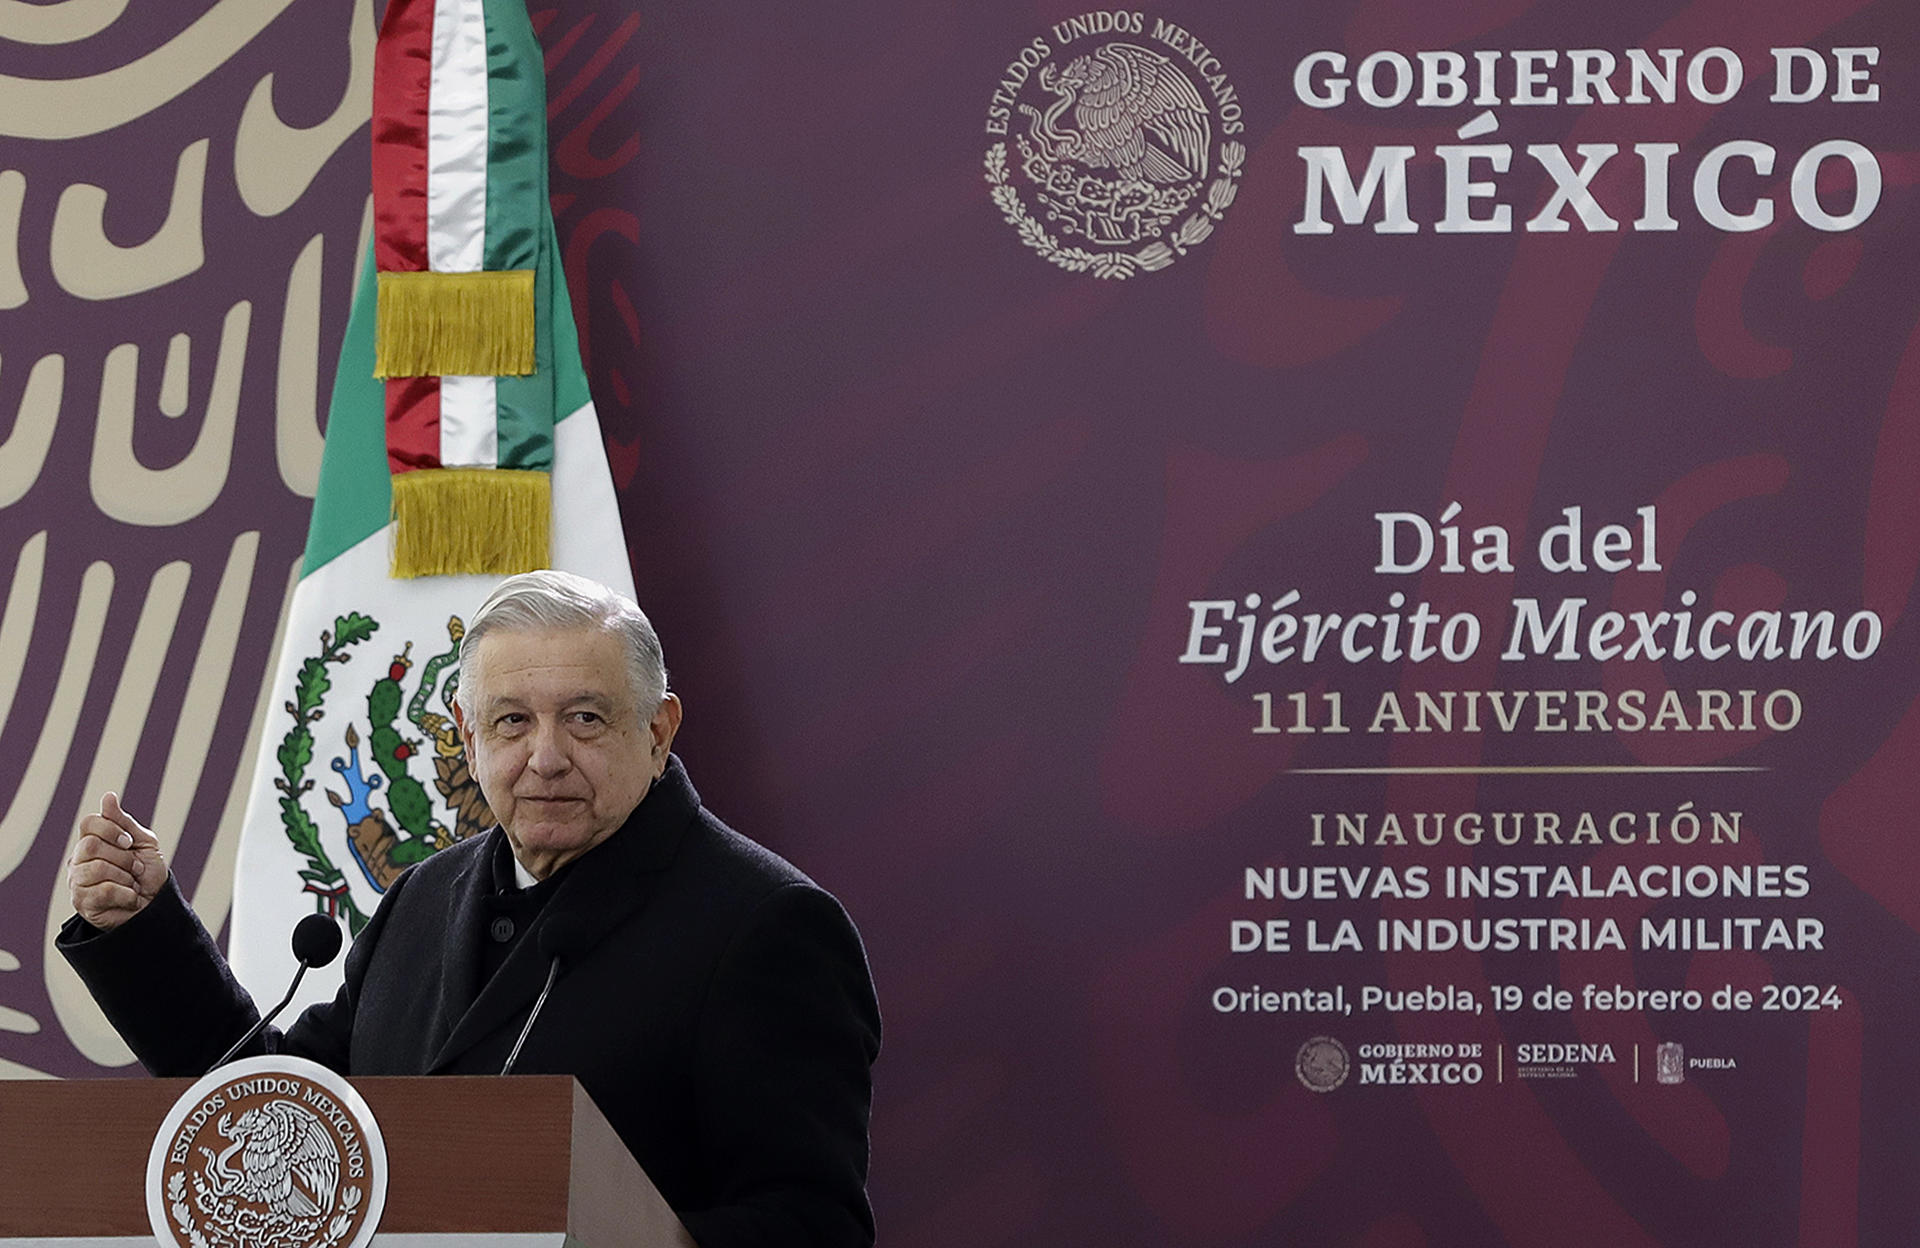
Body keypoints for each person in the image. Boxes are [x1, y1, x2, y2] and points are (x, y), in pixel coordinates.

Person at [60, 571, 882, 1248]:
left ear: (659, 729)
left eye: (586, 719)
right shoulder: (425, 895)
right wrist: (144, 932)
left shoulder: (767, 926)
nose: (546, 757)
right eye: (513, 722)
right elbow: (278, 1114)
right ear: (467, 733)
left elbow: (809, 1229)